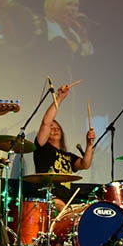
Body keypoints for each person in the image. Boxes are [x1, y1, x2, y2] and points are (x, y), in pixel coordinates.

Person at [32, 83, 95, 214]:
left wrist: (89, 144)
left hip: (67, 200)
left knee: (86, 212)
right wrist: (60, 98)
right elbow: (46, 122)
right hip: (49, 199)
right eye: (52, 128)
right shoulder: (42, 148)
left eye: (57, 128)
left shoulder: (68, 156)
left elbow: (85, 164)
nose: (55, 130)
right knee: (62, 208)